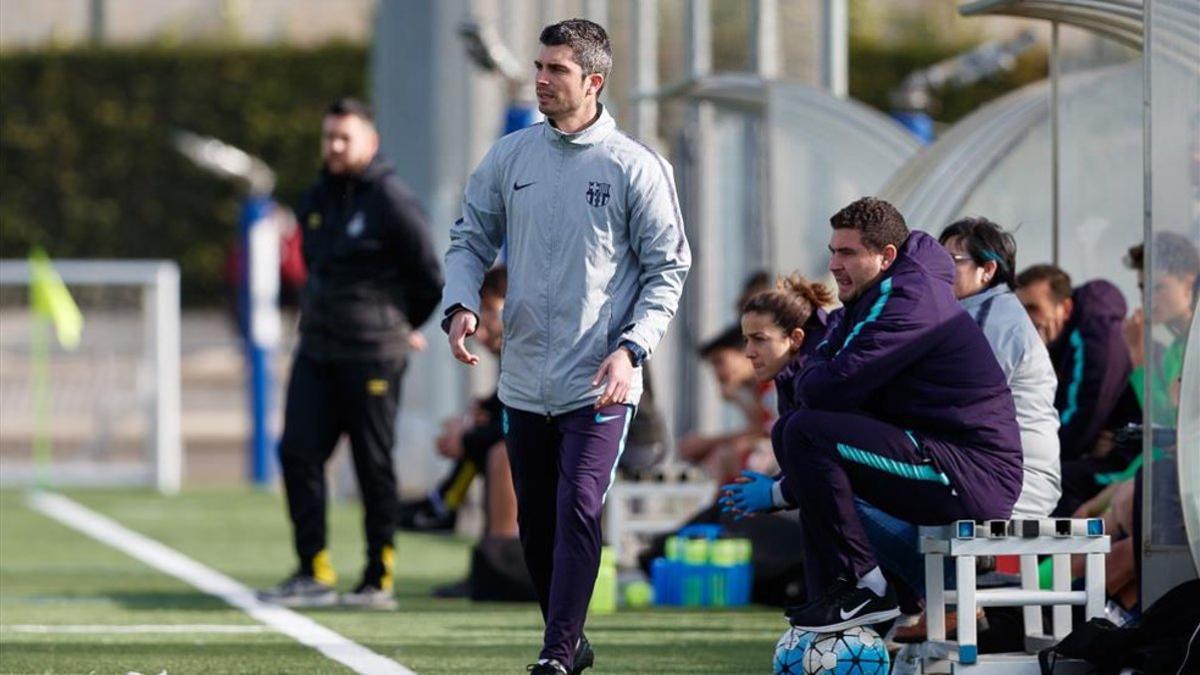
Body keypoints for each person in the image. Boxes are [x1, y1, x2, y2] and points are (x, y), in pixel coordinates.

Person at [441, 19, 690, 675]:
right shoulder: (510, 157)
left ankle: (556, 652)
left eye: (556, 70)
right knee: (539, 528)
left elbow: (669, 268)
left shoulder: (635, 166)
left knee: (579, 503)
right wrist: (462, 303)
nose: (541, 79)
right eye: (539, 66)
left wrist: (632, 348)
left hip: (600, 383)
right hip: (523, 380)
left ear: (593, 81)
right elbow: (468, 239)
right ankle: (570, 639)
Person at [724, 197, 1023, 633]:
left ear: (885, 256)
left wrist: (781, 490)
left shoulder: (909, 297)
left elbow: (832, 382)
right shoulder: (870, 298)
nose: (834, 264)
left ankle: (869, 588)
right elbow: (824, 376)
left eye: (847, 253)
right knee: (799, 437)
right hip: (932, 455)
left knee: (806, 435)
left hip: (970, 473)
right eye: (832, 251)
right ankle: (843, 599)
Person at [258, 98, 443, 609]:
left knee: (372, 463)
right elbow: (312, 268)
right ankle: (312, 568)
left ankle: (377, 574)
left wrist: (402, 324)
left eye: (346, 137)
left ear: (370, 142)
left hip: (373, 355)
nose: (336, 147)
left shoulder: (392, 201)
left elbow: (429, 277)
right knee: (297, 451)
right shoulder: (316, 197)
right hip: (317, 349)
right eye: (330, 137)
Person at [848, 217, 1062, 641]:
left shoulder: (995, 321)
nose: (939, 271)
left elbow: (953, 407)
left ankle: (941, 599)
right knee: (853, 483)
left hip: (1012, 481)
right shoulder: (971, 314)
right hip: (983, 470)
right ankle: (934, 600)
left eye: (953, 260)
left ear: (989, 270)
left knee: (845, 490)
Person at [1015, 265, 1139, 460]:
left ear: (1065, 308)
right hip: (1095, 451)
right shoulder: (1063, 341)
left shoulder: (1092, 340)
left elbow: (1079, 421)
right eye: (1019, 309)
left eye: (1033, 308)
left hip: (1121, 456)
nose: (1025, 319)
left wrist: (1027, 458)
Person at [677, 325, 775, 483]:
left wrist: (708, 443)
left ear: (746, 353)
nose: (717, 372)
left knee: (727, 456)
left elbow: (767, 434)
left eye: (719, 361)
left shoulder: (773, 386)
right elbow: (759, 429)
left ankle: (724, 506)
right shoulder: (758, 389)